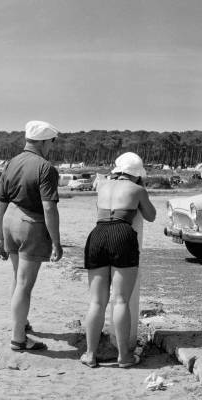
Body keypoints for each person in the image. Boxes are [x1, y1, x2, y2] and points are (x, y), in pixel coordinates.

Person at [82, 152, 156, 368]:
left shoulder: (101, 184)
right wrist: (142, 188)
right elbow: (150, 215)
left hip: (98, 234)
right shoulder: (137, 189)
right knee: (121, 299)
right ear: (137, 174)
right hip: (122, 234)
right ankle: (124, 356)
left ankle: (90, 354)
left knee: (97, 301)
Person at [0, 120, 63, 351]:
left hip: (9, 220)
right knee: (25, 284)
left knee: (17, 278)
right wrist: (56, 242)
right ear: (44, 142)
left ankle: (20, 324)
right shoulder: (45, 168)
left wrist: (0, 238)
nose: (51, 147)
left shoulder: (11, 163)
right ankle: (18, 338)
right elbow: (49, 208)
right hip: (30, 224)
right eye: (51, 142)